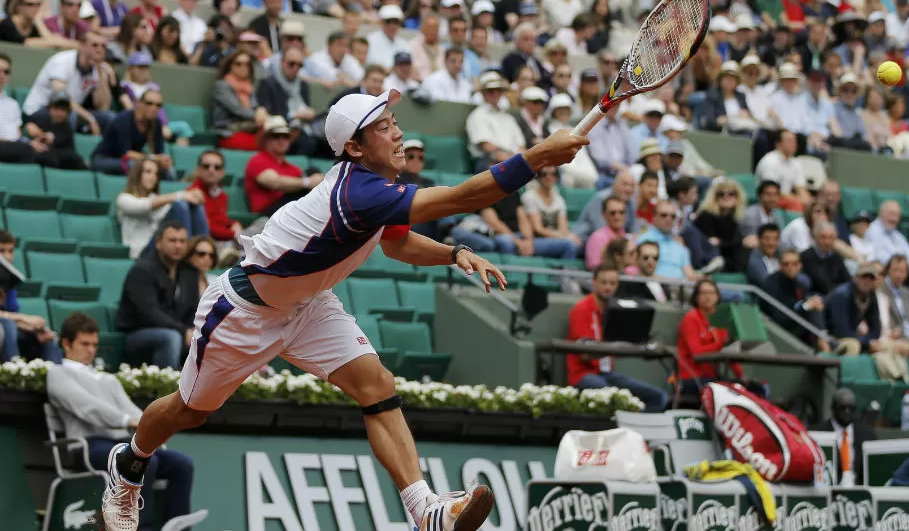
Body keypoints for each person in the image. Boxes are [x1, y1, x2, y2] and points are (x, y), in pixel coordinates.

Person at [100, 88, 589, 531]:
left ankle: (425, 510)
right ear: (354, 148)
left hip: (309, 306)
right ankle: (130, 464)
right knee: (189, 412)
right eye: (382, 127)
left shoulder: (374, 187)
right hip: (244, 311)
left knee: (376, 385)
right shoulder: (359, 192)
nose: (398, 133)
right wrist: (537, 156)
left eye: (394, 121)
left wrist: (453, 253)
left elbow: (396, 245)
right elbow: (466, 197)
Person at [46, 312, 207, 531]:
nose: (91, 350)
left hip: (122, 445)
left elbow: (133, 411)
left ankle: (177, 527)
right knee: (143, 462)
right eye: (84, 343)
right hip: (88, 447)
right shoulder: (58, 373)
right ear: (66, 343)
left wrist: (151, 427)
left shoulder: (107, 378)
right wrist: (126, 420)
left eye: (94, 344)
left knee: (181, 464)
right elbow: (87, 407)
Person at [566, 265, 669, 412]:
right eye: (604, 282)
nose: (608, 287)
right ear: (594, 282)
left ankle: (634, 430)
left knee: (658, 397)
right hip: (583, 375)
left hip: (608, 374)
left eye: (612, 283)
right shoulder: (581, 309)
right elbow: (584, 354)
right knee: (611, 395)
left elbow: (618, 349)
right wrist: (616, 347)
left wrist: (633, 343)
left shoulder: (617, 309)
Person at [116, 220, 200, 370]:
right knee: (170, 338)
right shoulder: (142, 270)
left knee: (207, 340)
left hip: (180, 332)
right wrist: (183, 330)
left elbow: (194, 310)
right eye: (172, 240)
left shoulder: (190, 273)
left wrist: (194, 331)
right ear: (158, 243)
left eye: (182, 241)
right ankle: (165, 387)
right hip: (139, 334)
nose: (178, 246)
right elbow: (150, 313)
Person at [677, 279, 766, 397]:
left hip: (713, 378)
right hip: (691, 377)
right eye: (703, 293)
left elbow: (727, 351)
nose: (708, 297)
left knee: (755, 388)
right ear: (696, 297)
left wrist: (741, 376)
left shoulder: (720, 321)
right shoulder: (691, 318)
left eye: (711, 293)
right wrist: (720, 343)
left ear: (718, 296)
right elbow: (696, 353)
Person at [0, 230, 61, 363]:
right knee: (8, 325)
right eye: (2, 251)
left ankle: (57, 378)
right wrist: (24, 317)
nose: (7, 256)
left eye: (10, 251)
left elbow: (12, 315)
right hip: (4, 328)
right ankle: (13, 373)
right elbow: (12, 319)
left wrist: (34, 329)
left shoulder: (9, 280)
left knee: (47, 337)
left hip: (9, 326)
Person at [91, 88, 172, 176]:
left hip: (129, 160)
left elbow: (159, 153)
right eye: (149, 103)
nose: (154, 108)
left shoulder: (156, 123)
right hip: (103, 160)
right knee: (135, 166)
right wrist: (154, 158)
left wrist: (163, 161)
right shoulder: (124, 119)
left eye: (158, 105)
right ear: (139, 103)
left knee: (168, 171)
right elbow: (127, 154)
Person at [815, 388, 877, 486]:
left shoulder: (867, 435)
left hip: (860, 490)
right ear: (833, 408)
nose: (847, 411)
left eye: (851, 408)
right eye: (842, 408)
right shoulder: (818, 432)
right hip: (829, 489)